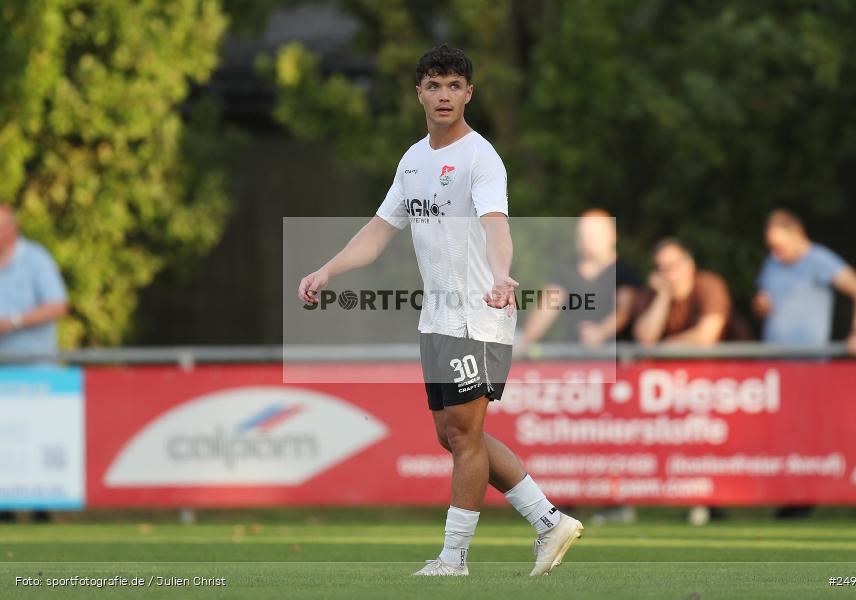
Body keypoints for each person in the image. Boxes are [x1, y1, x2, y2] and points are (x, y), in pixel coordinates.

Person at [298, 45, 582, 577]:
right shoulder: (413, 160)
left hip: (478, 314)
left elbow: (497, 223)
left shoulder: (480, 158)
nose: (444, 94)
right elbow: (380, 230)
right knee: (450, 435)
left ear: (468, 93)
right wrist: (327, 270)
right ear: (420, 94)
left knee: (465, 436)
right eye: (434, 85)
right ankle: (548, 520)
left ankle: (454, 559)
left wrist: (502, 275)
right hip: (437, 318)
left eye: (454, 85)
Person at [0, 205, 69, 523]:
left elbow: (58, 305)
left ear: (12, 229)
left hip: (37, 374)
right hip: (2, 375)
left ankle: (43, 512)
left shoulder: (36, 259)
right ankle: (6, 511)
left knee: (38, 444)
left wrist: (13, 321)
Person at [755, 208, 856, 356]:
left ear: (797, 234)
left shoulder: (819, 259)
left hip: (810, 364)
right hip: (773, 364)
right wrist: (760, 306)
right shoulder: (771, 263)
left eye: (778, 246)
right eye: (771, 247)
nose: (775, 253)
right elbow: (760, 308)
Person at [518, 209, 641, 350]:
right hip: (577, 361)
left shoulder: (624, 272)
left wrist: (600, 332)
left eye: (593, 235)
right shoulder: (566, 271)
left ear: (612, 236)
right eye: (582, 234)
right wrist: (523, 342)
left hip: (620, 363)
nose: (586, 240)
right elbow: (546, 309)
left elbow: (624, 311)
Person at [633, 238, 739, 346]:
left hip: (728, 361)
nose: (665, 274)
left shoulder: (709, 285)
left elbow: (706, 337)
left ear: (690, 265)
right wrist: (663, 296)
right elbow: (644, 341)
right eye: (659, 268)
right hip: (675, 361)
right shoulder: (652, 294)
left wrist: (663, 348)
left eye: (671, 266)